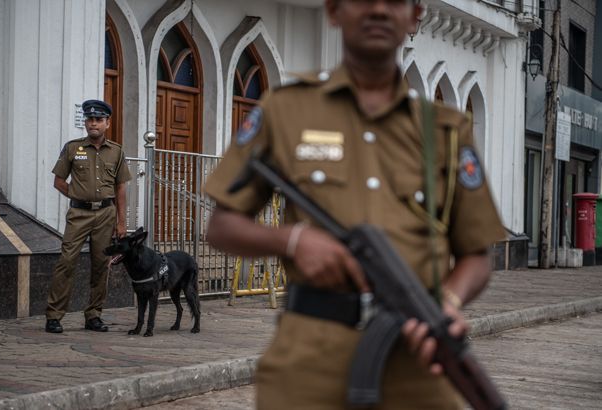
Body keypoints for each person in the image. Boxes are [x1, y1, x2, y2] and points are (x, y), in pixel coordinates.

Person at [205, 0, 506, 408]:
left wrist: (449, 302)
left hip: (417, 361)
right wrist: (292, 241)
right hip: (308, 360)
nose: (379, 10)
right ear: (333, 11)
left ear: (416, 14)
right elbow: (222, 226)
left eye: (395, 0)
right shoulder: (287, 110)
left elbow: (476, 254)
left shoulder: (447, 130)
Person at [45, 99, 131, 334]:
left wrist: (121, 222)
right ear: (85, 122)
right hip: (79, 214)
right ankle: (54, 316)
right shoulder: (73, 148)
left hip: (106, 214)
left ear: (107, 123)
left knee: (101, 265)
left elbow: (121, 188)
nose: (93, 123)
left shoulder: (117, 151)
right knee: (66, 262)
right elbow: (58, 181)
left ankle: (94, 315)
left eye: (98, 120)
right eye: (90, 119)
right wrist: (77, 195)